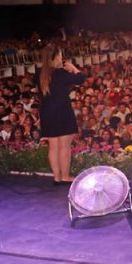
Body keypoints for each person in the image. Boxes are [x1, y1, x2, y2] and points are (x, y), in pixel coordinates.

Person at [36, 44, 86, 184]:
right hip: (62, 110)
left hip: (47, 112)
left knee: (53, 146)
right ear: (57, 56)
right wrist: (72, 68)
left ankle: (56, 177)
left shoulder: (39, 73)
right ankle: (65, 176)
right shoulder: (61, 73)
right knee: (64, 146)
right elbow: (81, 78)